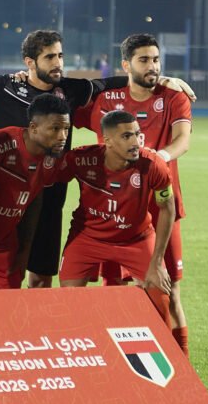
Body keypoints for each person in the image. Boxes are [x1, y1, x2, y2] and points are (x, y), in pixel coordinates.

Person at [0, 28, 195, 290]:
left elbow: (119, 81)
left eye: (60, 56)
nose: (58, 63)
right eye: (50, 57)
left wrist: (162, 79)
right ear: (30, 62)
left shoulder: (72, 90)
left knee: (39, 275)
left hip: (47, 195)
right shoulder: (2, 86)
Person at [74, 32, 192, 354]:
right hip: (116, 211)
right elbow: (63, 102)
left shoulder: (173, 97)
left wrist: (157, 158)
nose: (152, 66)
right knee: (114, 289)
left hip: (162, 206)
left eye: (156, 60)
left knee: (169, 289)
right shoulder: (106, 101)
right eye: (144, 60)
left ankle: (182, 365)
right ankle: (117, 364)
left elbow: (182, 141)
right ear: (126, 65)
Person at [57, 110, 174, 301]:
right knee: (68, 298)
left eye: (137, 134)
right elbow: (48, 177)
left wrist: (157, 261)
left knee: (160, 296)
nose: (136, 142)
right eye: (127, 136)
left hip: (136, 240)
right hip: (87, 238)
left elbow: (167, 209)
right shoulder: (81, 159)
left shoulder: (153, 165)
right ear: (108, 141)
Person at [0, 94, 71, 289]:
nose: (63, 136)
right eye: (55, 129)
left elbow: (34, 198)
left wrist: (25, 250)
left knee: (8, 304)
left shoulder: (53, 159)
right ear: (33, 127)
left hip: (6, 245)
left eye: (66, 129)